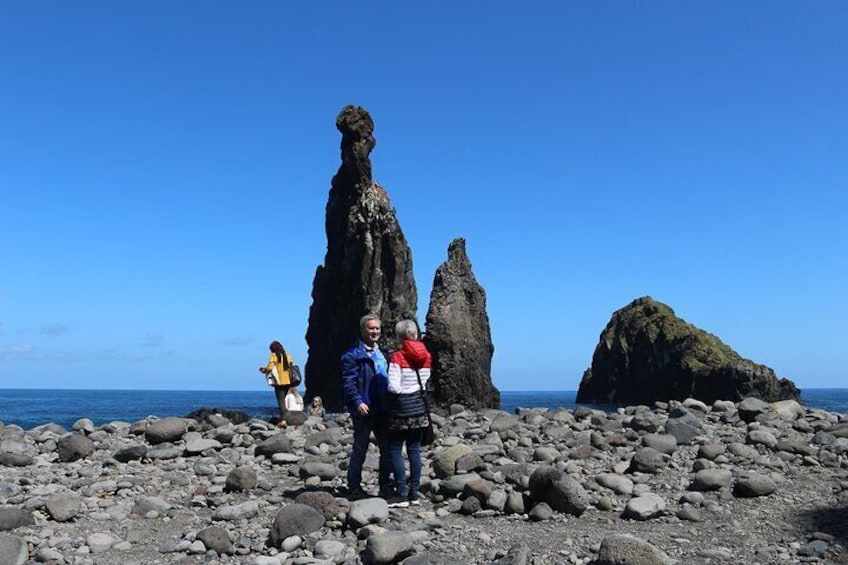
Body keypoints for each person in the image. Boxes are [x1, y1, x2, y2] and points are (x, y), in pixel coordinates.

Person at [341, 313, 393, 499]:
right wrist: (357, 402)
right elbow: (348, 383)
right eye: (371, 328)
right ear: (363, 330)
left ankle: (385, 485)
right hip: (364, 409)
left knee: (387, 449)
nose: (374, 331)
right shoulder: (351, 355)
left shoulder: (384, 353)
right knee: (360, 449)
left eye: (377, 328)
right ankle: (354, 487)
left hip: (383, 408)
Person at [386, 319, 431, 507]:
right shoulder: (427, 355)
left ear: (400, 335)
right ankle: (414, 492)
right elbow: (426, 380)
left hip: (401, 409)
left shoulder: (398, 356)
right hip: (420, 408)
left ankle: (402, 493)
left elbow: (394, 387)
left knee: (395, 449)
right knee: (414, 449)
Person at [259, 341, 293, 419]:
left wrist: (264, 370)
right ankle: (290, 417)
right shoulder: (288, 355)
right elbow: (291, 366)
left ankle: (284, 419)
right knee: (288, 400)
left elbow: (270, 367)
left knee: (281, 402)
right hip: (289, 381)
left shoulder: (274, 356)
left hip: (279, 381)